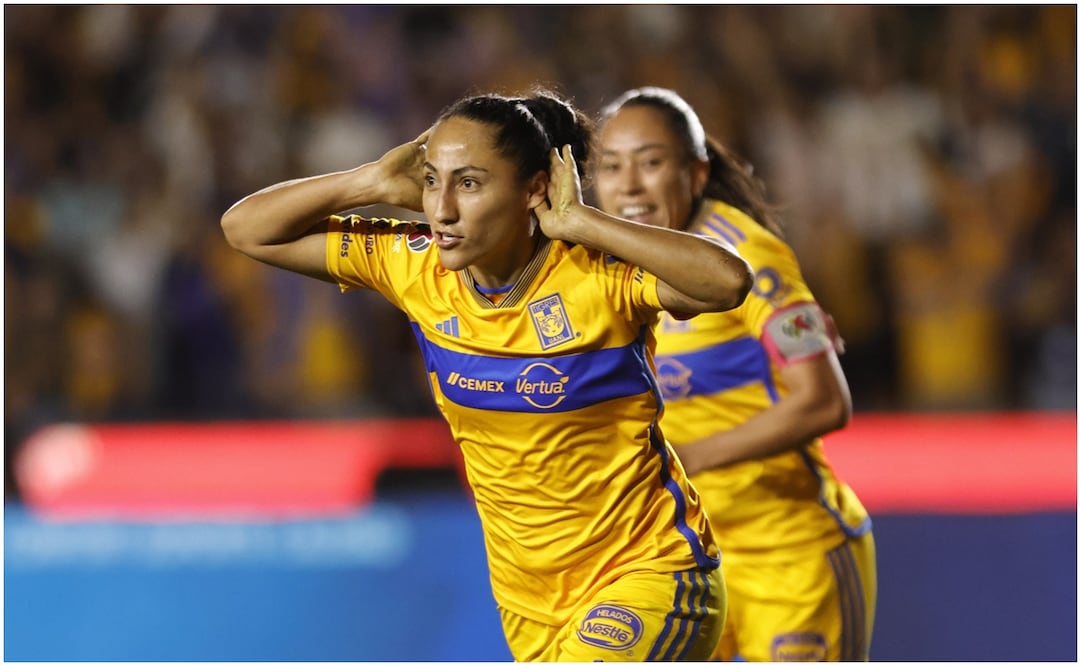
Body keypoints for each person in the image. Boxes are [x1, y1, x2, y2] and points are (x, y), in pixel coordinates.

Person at [221, 88, 755, 662]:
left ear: (534, 190)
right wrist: (370, 181)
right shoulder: (414, 267)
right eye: (432, 181)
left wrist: (583, 221)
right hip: (529, 606)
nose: (442, 209)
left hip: (649, 574)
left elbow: (727, 282)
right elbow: (246, 229)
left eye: (469, 183)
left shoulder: (596, 275)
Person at [592, 86, 877, 662]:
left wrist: (687, 458)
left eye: (650, 162)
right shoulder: (597, 264)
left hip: (788, 556)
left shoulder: (749, 259)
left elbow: (825, 400)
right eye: (611, 166)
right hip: (682, 560)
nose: (629, 186)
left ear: (696, 174)